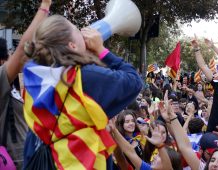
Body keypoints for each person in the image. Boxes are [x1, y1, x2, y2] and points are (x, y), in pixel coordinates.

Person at [22, 13, 142, 169]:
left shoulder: (34, 82)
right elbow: (134, 81)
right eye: (78, 32)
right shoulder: (86, 78)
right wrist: (101, 50)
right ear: (72, 45)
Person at [0, 1, 54, 169]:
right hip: (13, 163)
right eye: (9, 54)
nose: (12, 56)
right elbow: (23, 52)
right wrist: (45, 5)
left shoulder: (10, 84)